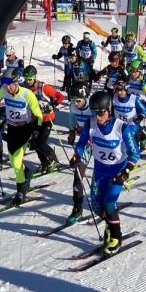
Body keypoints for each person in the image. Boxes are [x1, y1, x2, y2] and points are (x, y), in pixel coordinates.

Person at [72, 91, 140, 255]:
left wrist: (126, 172)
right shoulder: (90, 124)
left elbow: (135, 154)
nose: (98, 116)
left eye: (101, 112)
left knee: (109, 204)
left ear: (109, 110)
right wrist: (77, 155)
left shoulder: (122, 128)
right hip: (100, 170)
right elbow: (81, 144)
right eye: (95, 113)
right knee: (97, 207)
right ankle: (110, 225)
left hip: (117, 172)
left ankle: (116, 237)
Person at [0, 67, 45, 206]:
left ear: (16, 82)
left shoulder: (27, 95)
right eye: (5, 84)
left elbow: (38, 115)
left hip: (25, 130)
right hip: (12, 130)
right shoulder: (4, 89)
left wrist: (36, 132)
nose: (7, 88)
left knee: (15, 163)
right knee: (15, 163)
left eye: (9, 84)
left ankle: (20, 193)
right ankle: (26, 172)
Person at [22, 65, 64, 173]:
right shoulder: (26, 89)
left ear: (35, 77)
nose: (28, 81)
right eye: (26, 79)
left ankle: (52, 159)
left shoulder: (44, 87)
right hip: (37, 119)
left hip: (48, 118)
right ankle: (44, 162)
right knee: (34, 143)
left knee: (41, 142)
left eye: (30, 79)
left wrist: (53, 105)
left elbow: (60, 97)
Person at [66, 85, 92, 223]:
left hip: (100, 142)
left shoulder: (93, 106)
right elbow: (71, 118)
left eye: (78, 101)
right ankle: (77, 208)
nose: (75, 104)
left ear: (85, 98)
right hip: (85, 142)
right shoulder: (73, 106)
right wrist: (71, 132)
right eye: (73, 100)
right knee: (78, 174)